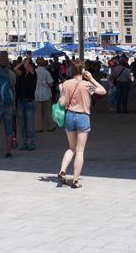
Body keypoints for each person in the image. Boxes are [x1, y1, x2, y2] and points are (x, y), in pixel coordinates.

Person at [56, 60, 106, 189]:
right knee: (80, 151)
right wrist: (92, 79)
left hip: (70, 116)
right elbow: (103, 91)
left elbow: (62, 100)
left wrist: (62, 90)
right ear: (83, 70)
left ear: (72, 70)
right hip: (82, 116)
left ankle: (62, 170)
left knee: (71, 148)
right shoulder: (86, 85)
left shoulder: (66, 84)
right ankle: (75, 180)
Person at [14, 56, 37, 150]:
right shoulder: (22, 74)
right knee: (22, 123)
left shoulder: (33, 74)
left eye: (27, 63)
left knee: (30, 124)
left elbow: (27, 68)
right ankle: (24, 142)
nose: (25, 65)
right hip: (21, 101)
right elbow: (15, 68)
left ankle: (32, 142)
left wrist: (27, 61)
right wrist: (23, 61)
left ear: (31, 65)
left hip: (29, 101)